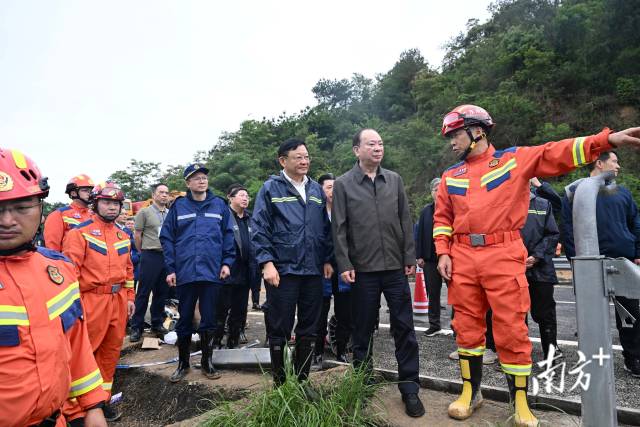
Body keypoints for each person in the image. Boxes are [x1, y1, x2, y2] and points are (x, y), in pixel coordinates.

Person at [434, 104, 640, 425]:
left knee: (512, 330)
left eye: (456, 134)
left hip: (503, 253)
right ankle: (470, 393)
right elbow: (443, 219)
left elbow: (557, 152)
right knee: (467, 328)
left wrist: (607, 140)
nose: (451, 142)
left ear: (478, 132)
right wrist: (443, 252)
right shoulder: (450, 176)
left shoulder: (513, 160)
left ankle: (521, 403)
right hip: (462, 258)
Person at [0, 149, 108, 427]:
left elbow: (75, 345)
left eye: (22, 207)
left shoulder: (58, 270)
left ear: (39, 207)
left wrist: (92, 406)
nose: (8, 221)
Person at [332, 128, 425, 418]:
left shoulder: (394, 180)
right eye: (371, 144)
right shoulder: (344, 184)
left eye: (381, 143)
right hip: (362, 272)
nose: (377, 148)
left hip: (395, 270)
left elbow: (404, 219)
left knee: (404, 328)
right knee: (362, 331)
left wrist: (409, 256)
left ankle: (410, 388)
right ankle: (362, 385)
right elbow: (339, 229)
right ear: (356, 150)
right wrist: (345, 264)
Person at [252, 138, 333, 388]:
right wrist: (266, 262)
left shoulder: (316, 190)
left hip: (312, 270)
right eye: (298, 156)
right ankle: (280, 382)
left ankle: (302, 381)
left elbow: (325, 228)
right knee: (280, 326)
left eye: (307, 156)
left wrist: (328, 259)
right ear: (283, 160)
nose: (304, 161)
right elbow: (260, 228)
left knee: (309, 327)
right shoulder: (270, 189)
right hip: (283, 270)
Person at [561, 151, 640, 377]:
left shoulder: (623, 192)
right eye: (614, 161)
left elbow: (635, 221)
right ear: (599, 163)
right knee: (591, 316)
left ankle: (633, 358)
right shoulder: (575, 192)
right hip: (590, 265)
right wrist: (575, 260)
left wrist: (638, 252)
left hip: (622, 262)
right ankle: (593, 361)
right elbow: (568, 230)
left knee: (630, 315)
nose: (618, 166)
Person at [62, 181, 135, 422]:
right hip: (90, 300)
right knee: (83, 354)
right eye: (106, 202)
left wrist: (130, 298)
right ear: (95, 203)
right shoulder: (78, 233)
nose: (112, 207)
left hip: (118, 301)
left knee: (110, 354)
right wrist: (74, 306)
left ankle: (101, 402)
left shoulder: (123, 235)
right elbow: (69, 274)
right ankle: (74, 409)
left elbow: (128, 270)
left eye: (116, 203)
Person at [160, 164, 235, 383]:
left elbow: (228, 236)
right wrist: (171, 268)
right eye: (196, 178)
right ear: (188, 183)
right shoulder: (178, 207)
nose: (201, 181)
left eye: (204, 177)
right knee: (183, 319)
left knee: (209, 318)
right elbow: (167, 238)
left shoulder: (219, 205)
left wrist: (227, 262)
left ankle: (206, 362)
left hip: (212, 272)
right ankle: (183, 363)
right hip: (185, 272)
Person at [213, 184, 259, 349]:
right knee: (221, 310)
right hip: (227, 270)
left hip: (246, 271)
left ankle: (233, 343)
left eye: (247, 196)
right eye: (241, 195)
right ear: (230, 197)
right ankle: (215, 343)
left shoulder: (251, 218)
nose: (245, 198)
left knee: (239, 311)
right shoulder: (222, 216)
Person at [313, 173, 352, 367]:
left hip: (344, 269)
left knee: (345, 313)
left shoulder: (347, 211)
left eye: (335, 187)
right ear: (321, 190)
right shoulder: (315, 212)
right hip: (322, 269)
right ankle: (317, 351)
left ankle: (342, 350)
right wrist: (324, 260)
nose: (333, 190)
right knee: (319, 313)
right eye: (328, 187)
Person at [522, 178, 562, 362]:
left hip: (542, 268)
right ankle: (518, 357)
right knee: (515, 317)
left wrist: (537, 255)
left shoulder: (542, 203)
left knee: (545, 315)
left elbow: (552, 233)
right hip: (513, 268)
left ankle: (551, 358)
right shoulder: (502, 205)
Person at [129, 183, 171, 342]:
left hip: (166, 257)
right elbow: (137, 235)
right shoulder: (144, 212)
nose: (164, 195)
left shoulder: (169, 213)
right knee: (143, 292)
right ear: (154, 195)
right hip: (149, 255)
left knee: (162, 292)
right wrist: (142, 252)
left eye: (166, 192)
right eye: (161, 192)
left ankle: (157, 323)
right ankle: (136, 326)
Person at [416, 177, 446, 336]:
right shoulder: (426, 211)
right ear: (431, 193)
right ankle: (434, 324)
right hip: (429, 259)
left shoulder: (452, 208)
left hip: (450, 258)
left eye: (441, 188)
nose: (438, 192)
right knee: (432, 293)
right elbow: (419, 234)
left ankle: (458, 327)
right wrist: (419, 255)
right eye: (435, 189)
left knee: (457, 294)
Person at [43, 174, 94, 250]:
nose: (89, 194)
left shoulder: (94, 215)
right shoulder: (59, 215)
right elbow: (52, 249)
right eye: (85, 190)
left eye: (91, 191)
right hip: (69, 261)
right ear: (73, 193)